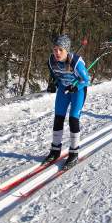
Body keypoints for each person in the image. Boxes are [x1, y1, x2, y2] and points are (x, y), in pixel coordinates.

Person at [44, 35, 90, 169]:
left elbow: (86, 80)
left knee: (73, 119)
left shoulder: (76, 63)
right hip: (63, 90)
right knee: (58, 118)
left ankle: (74, 153)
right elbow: (55, 75)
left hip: (78, 91)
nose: (57, 53)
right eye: (55, 49)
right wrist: (53, 83)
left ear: (67, 50)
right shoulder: (51, 61)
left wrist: (76, 86)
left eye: (61, 50)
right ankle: (55, 150)